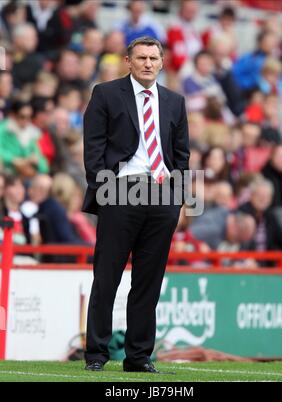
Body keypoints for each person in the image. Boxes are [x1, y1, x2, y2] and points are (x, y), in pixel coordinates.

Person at [83, 37, 190, 373]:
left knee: (149, 280)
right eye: (141, 57)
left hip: (161, 196)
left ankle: (139, 356)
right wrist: (105, 191)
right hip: (120, 191)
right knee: (107, 276)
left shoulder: (175, 101)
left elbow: (182, 154)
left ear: (162, 62)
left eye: (154, 58)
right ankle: (97, 354)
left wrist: (178, 199)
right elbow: (94, 149)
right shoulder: (106, 93)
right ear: (127, 61)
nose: (148, 63)